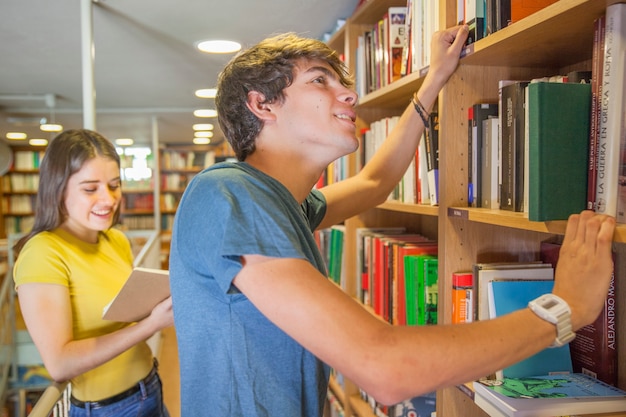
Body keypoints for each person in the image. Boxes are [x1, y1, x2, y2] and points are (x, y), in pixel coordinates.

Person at [169, 26, 616, 417]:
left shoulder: (283, 203)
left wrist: (433, 80)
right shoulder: (229, 192)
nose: (349, 94)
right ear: (262, 105)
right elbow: (385, 368)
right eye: (319, 81)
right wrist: (564, 309)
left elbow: (375, 183)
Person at [13, 129, 174, 417]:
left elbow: (123, 316)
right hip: (106, 409)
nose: (109, 199)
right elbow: (60, 363)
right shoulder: (43, 253)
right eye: (90, 189)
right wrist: (151, 325)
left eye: (114, 185)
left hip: (149, 384)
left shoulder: (116, 240)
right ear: (58, 188)